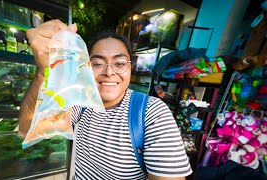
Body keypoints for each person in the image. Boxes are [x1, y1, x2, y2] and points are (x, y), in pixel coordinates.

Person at [18, 19, 192, 180]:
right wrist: (43, 71)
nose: (109, 72)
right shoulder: (80, 103)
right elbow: (28, 128)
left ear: (130, 67)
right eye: (98, 63)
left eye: (120, 63)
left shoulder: (151, 113)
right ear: (86, 67)